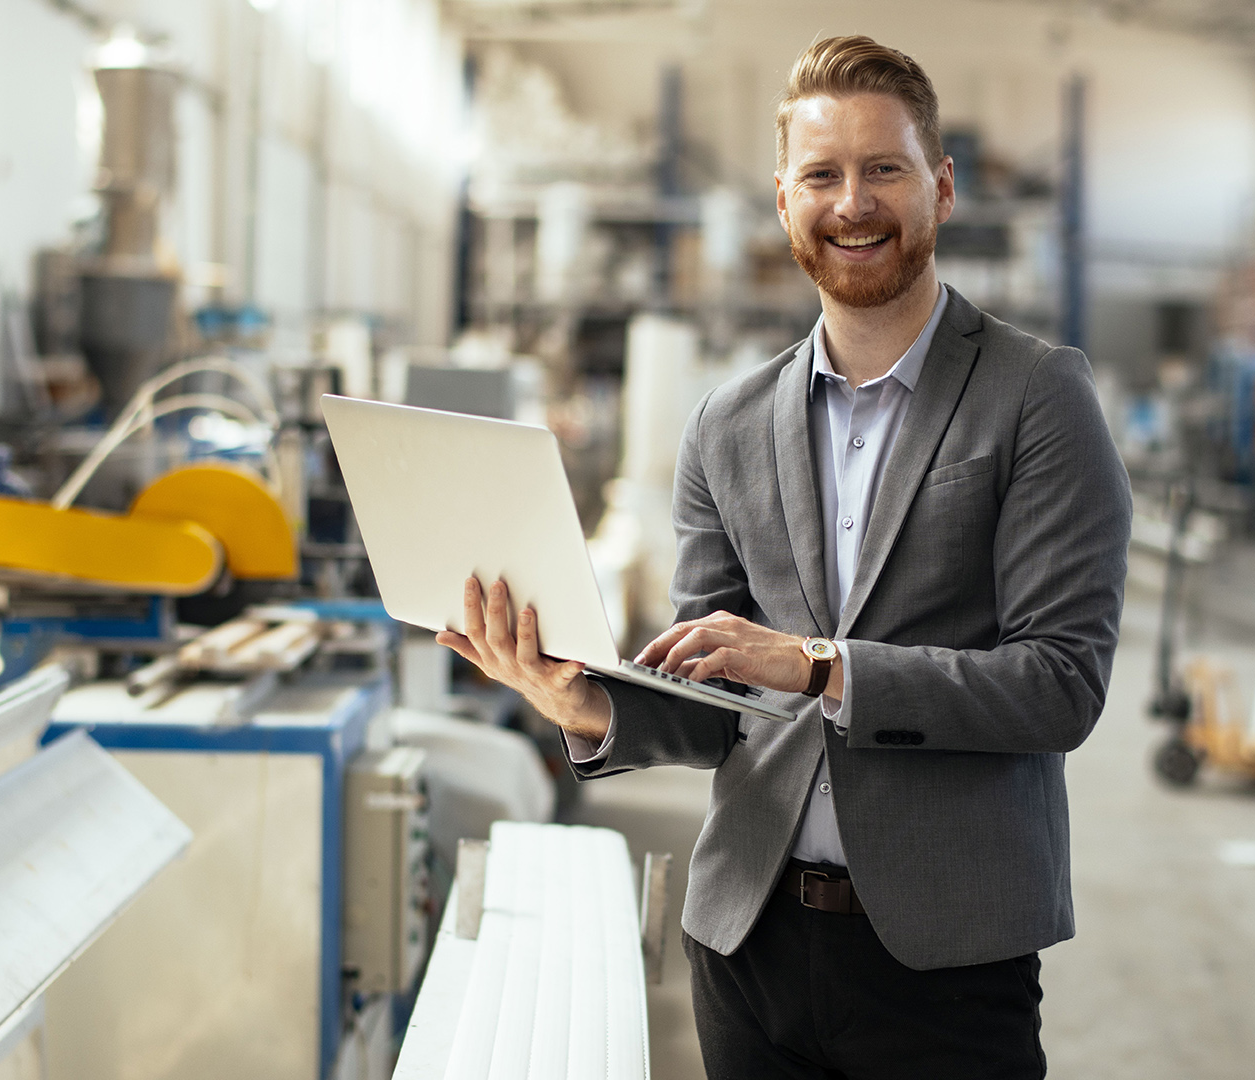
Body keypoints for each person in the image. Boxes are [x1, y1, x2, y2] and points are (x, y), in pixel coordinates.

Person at [437, 34, 1131, 1079]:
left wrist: (818, 664)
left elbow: (1060, 686)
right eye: (823, 174)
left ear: (940, 189)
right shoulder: (728, 423)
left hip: (945, 960)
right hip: (748, 947)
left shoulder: (1037, 396)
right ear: (782, 202)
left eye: (884, 169)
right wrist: (583, 704)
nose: (853, 202)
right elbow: (719, 694)